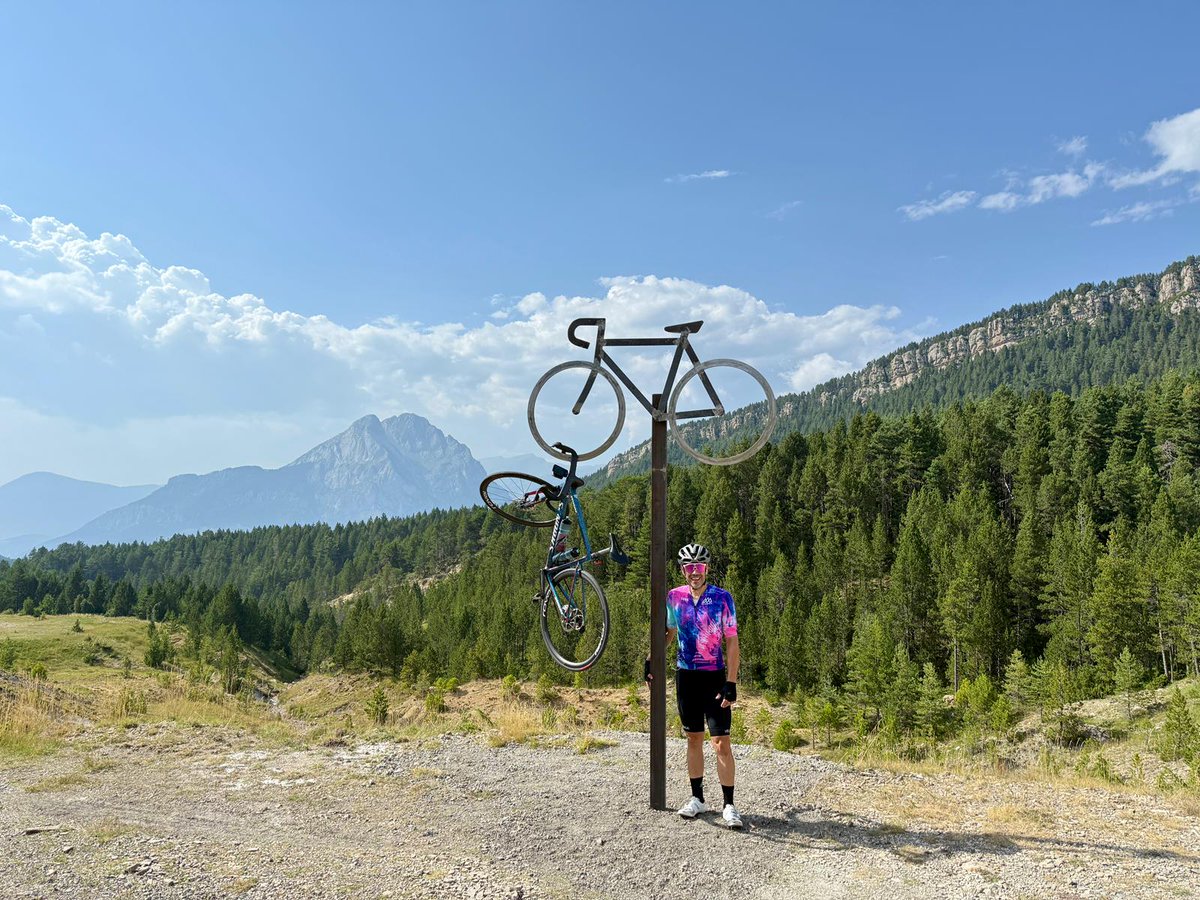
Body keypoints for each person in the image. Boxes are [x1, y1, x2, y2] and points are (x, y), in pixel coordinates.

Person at [645, 542, 742, 828]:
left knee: (721, 742)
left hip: (714, 675)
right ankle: (697, 798)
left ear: (707, 569)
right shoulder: (674, 597)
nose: (694, 572)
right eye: (689, 567)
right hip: (686, 676)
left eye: (699, 567)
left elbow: (732, 642)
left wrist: (731, 682)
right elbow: (669, 632)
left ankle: (729, 804)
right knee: (694, 738)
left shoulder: (723, 598)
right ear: (683, 570)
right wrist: (652, 659)